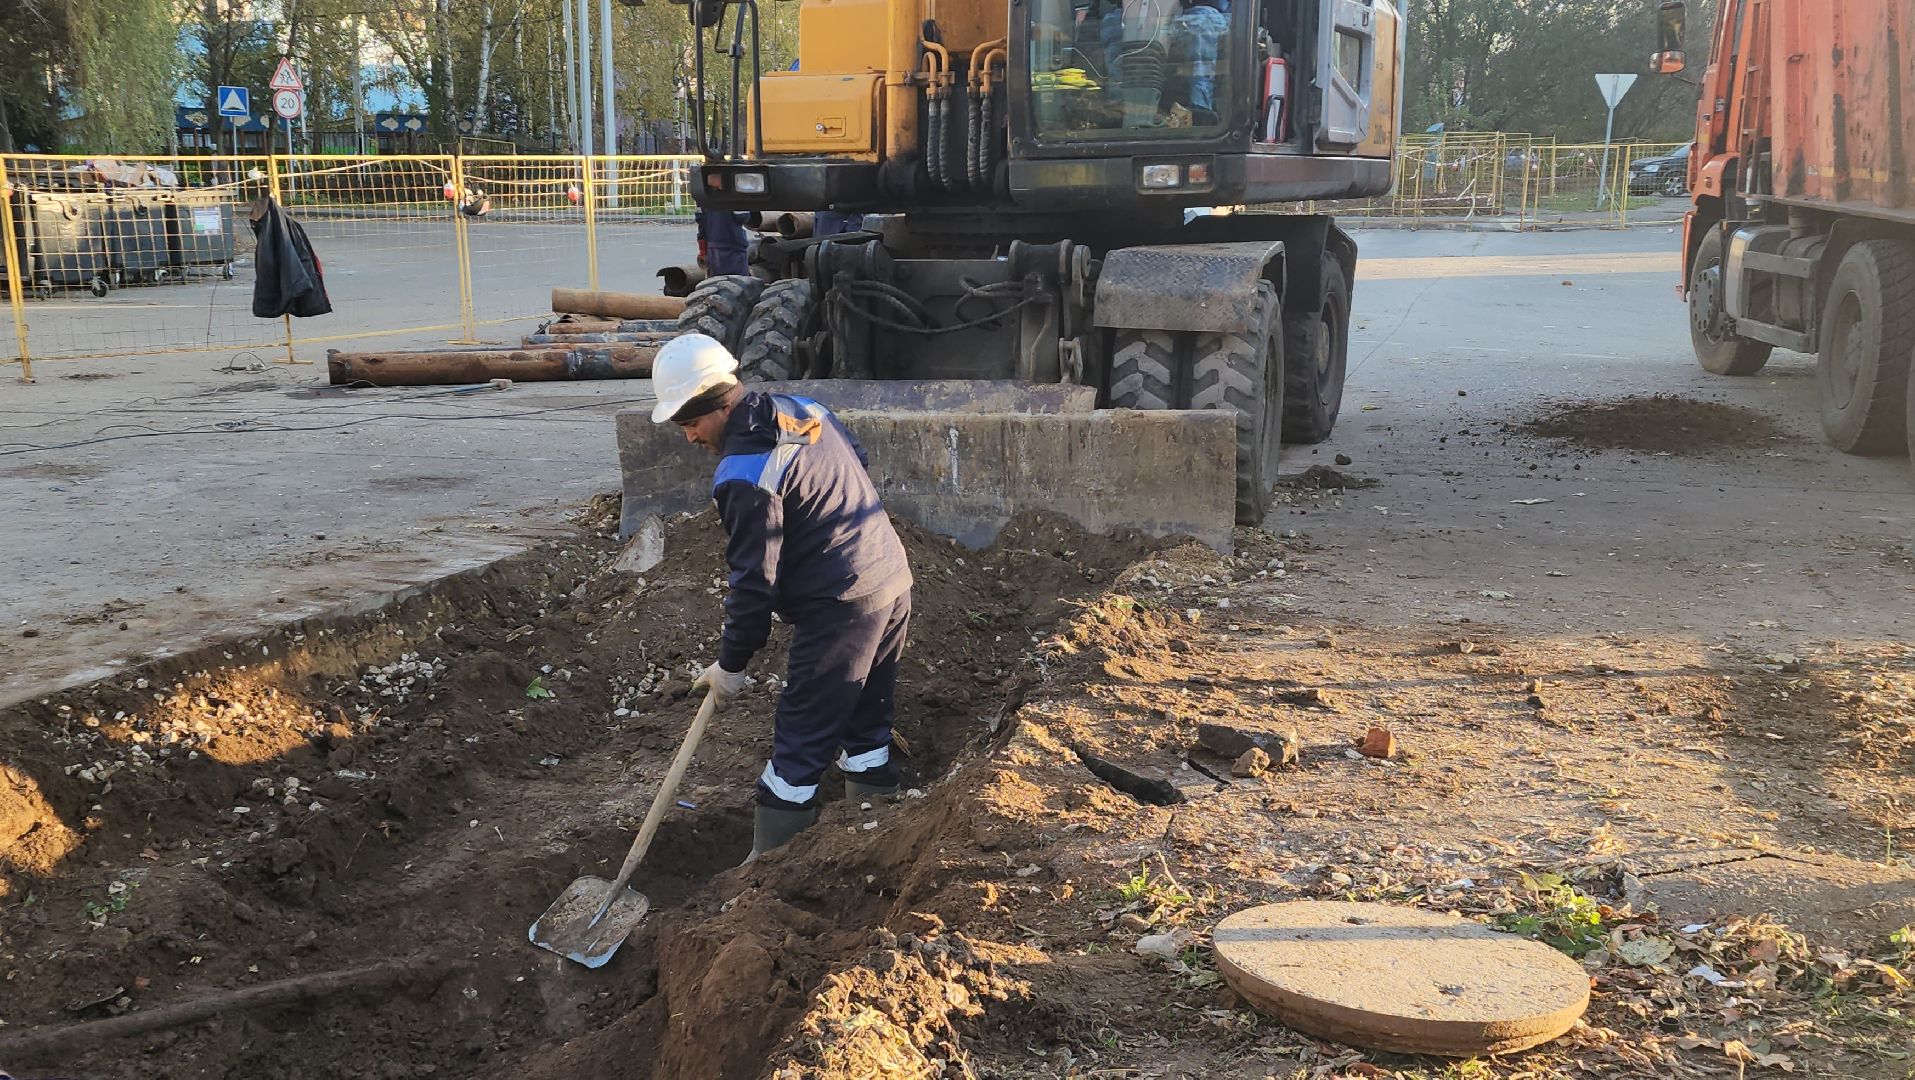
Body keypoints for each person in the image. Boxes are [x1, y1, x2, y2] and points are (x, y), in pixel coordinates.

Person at [651, 333, 914, 859]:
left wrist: (731, 664)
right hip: (890, 579)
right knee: (865, 719)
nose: (689, 438)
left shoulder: (745, 474)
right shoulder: (803, 408)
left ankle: (767, 868)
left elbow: (753, 584)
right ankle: (878, 830)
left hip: (841, 606)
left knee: (801, 738)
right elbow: (855, 461)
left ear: (718, 406)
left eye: (690, 424)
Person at [695, 208, 750, 276]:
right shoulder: (736, 197)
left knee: (716, 281)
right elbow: (742, 217)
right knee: (740, 282)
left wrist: (703, 249)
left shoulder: (702, 198)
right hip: (734, 247)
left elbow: (700, 219)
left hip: (713, 248)